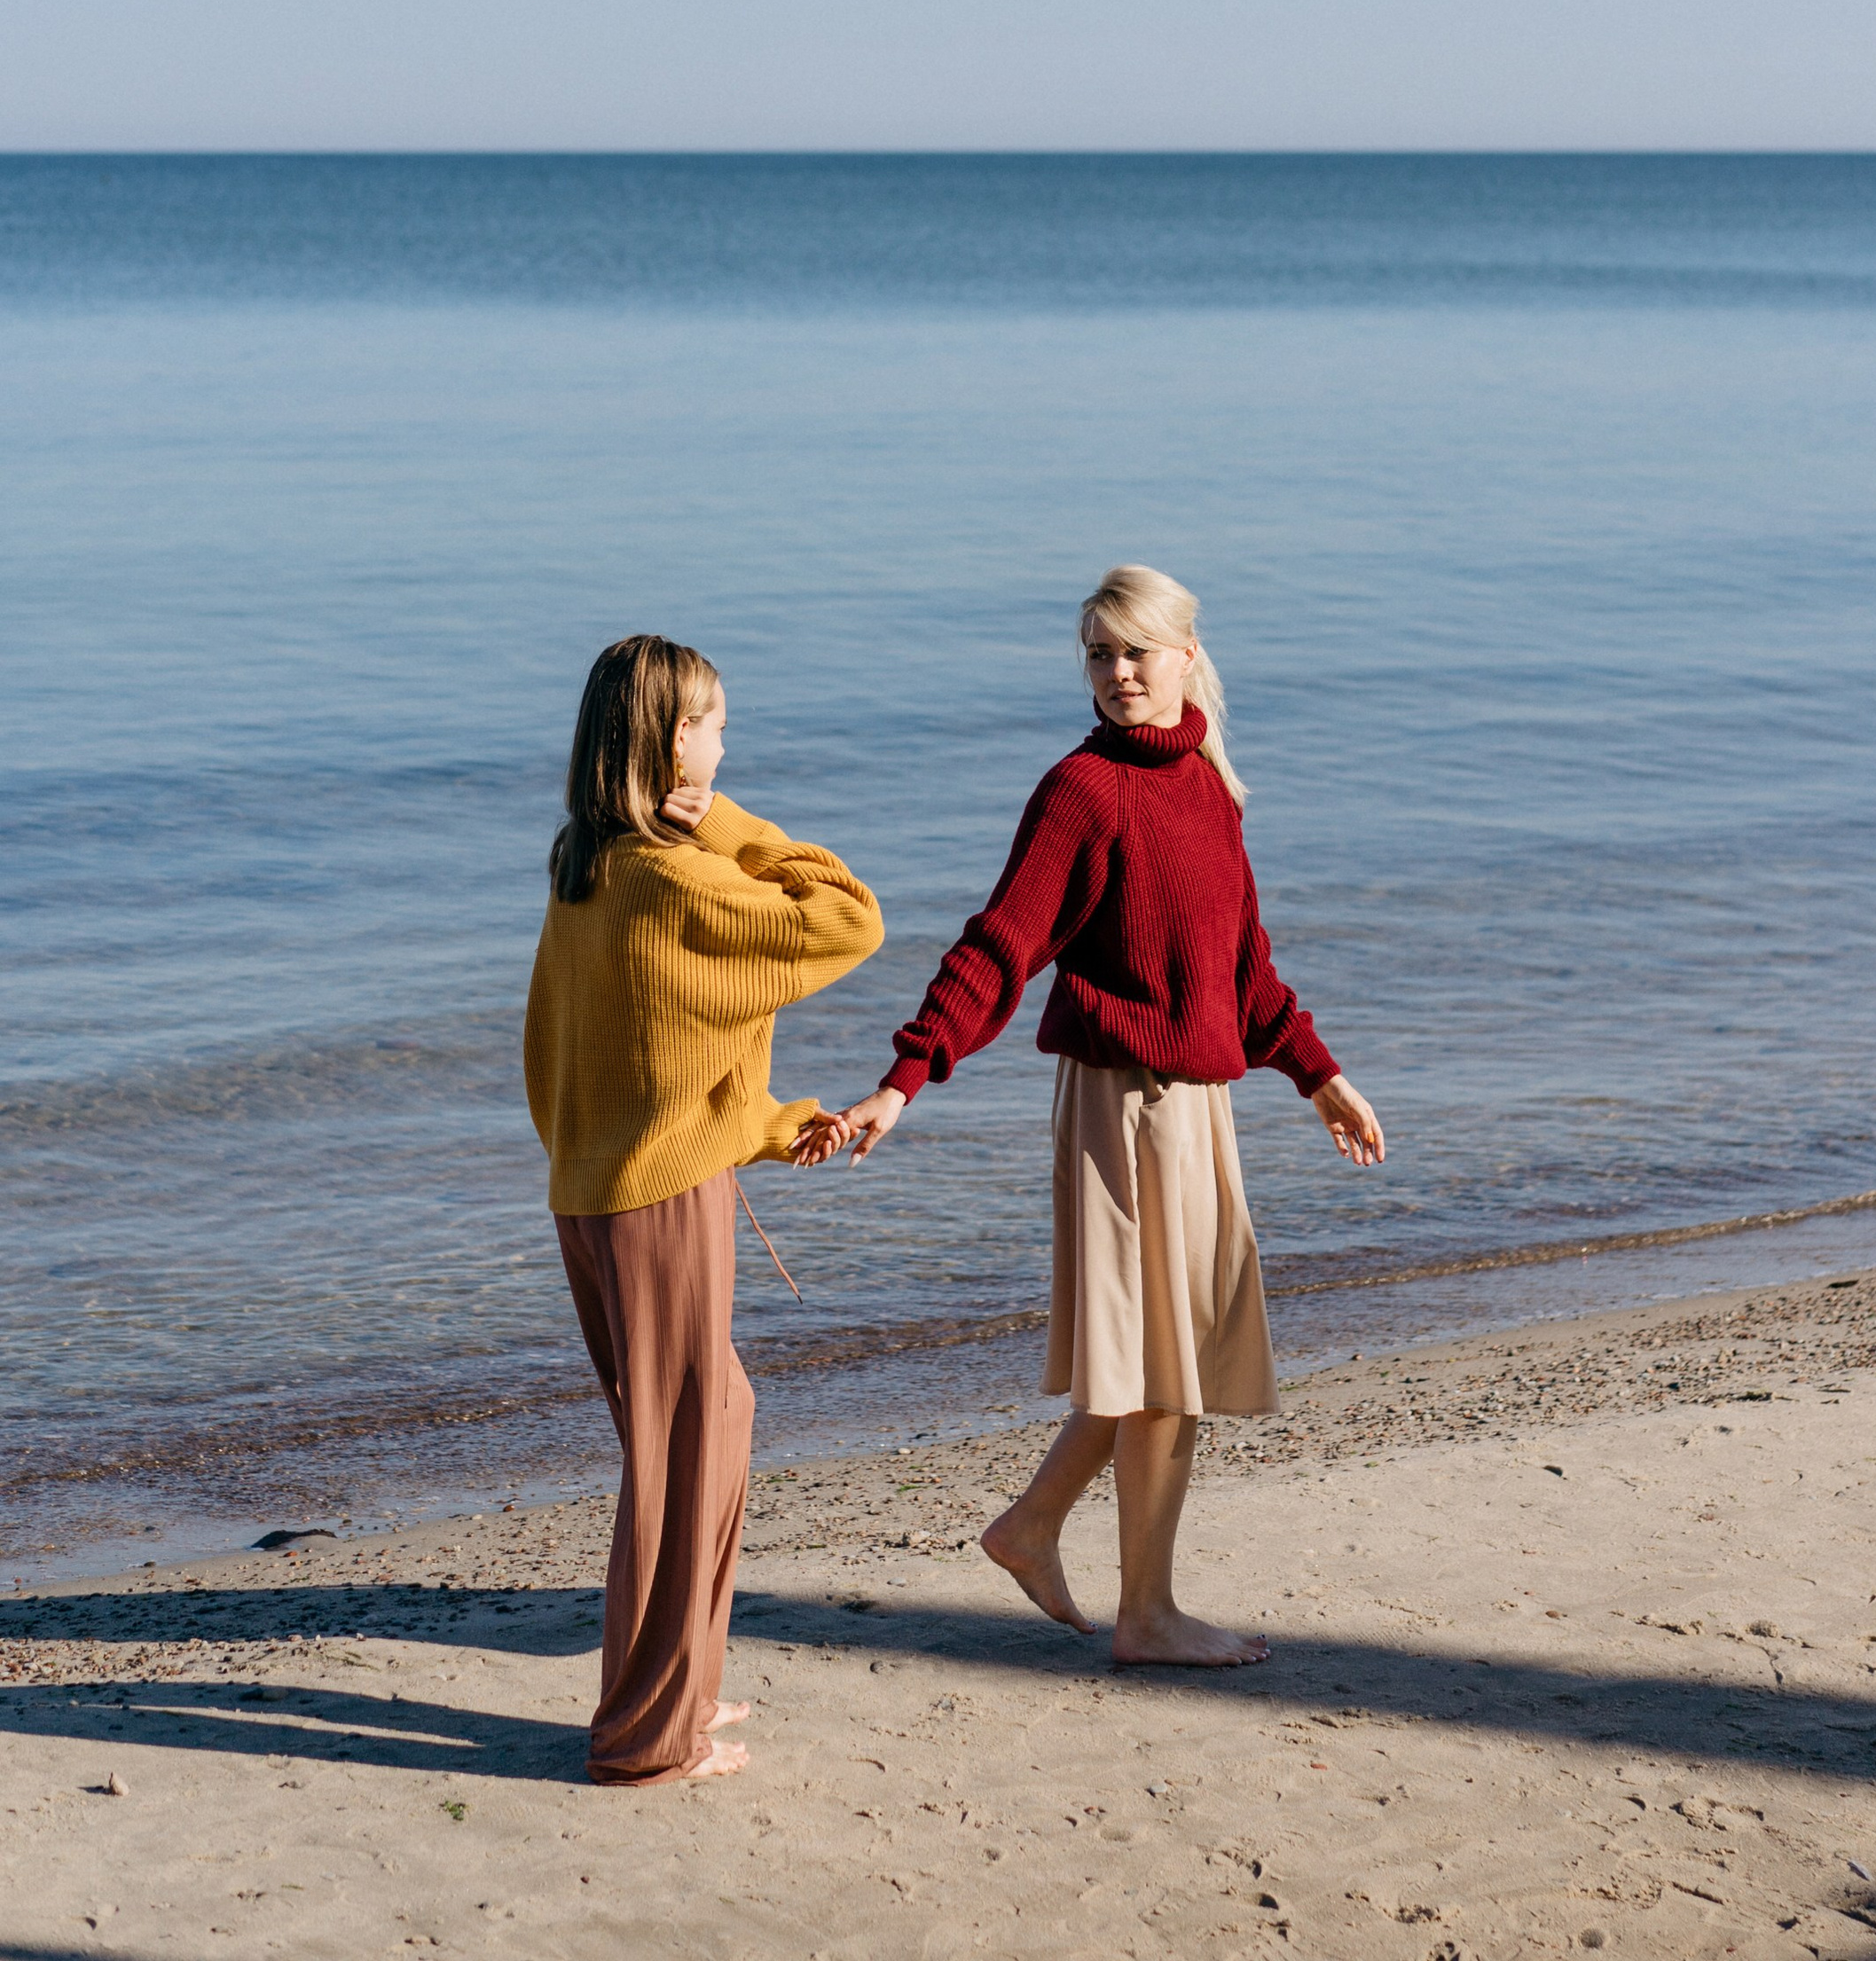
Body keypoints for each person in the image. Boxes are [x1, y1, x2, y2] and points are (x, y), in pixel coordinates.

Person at [815, 566, 1382, 1668]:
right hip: (1123, 1106)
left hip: (1196, 1105)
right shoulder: (1081, 792)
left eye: (1135, 652)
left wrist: (1317, 1075)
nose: (1117, 675)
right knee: (1166, 1369)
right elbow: (1002, 945)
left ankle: (1032, 1529)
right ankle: (1148, 1616)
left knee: (1167, 1359)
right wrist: (906, 1076)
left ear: (1183, 654)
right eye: (1097, 656)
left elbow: (1242, 969)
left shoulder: (1206, 784)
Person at [523, 633, 883, 1785]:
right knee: (681, 1463)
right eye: (713, 723)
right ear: (671, 745)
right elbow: (844, 918)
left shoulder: (584, 861)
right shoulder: (671, 871)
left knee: (707, 1428)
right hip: (659, 1203)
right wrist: (721, 819)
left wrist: (768, 1126)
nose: (727, 740)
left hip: (600, 1194)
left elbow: (624, 1047)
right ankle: (643, 1740)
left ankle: (685, 1696)